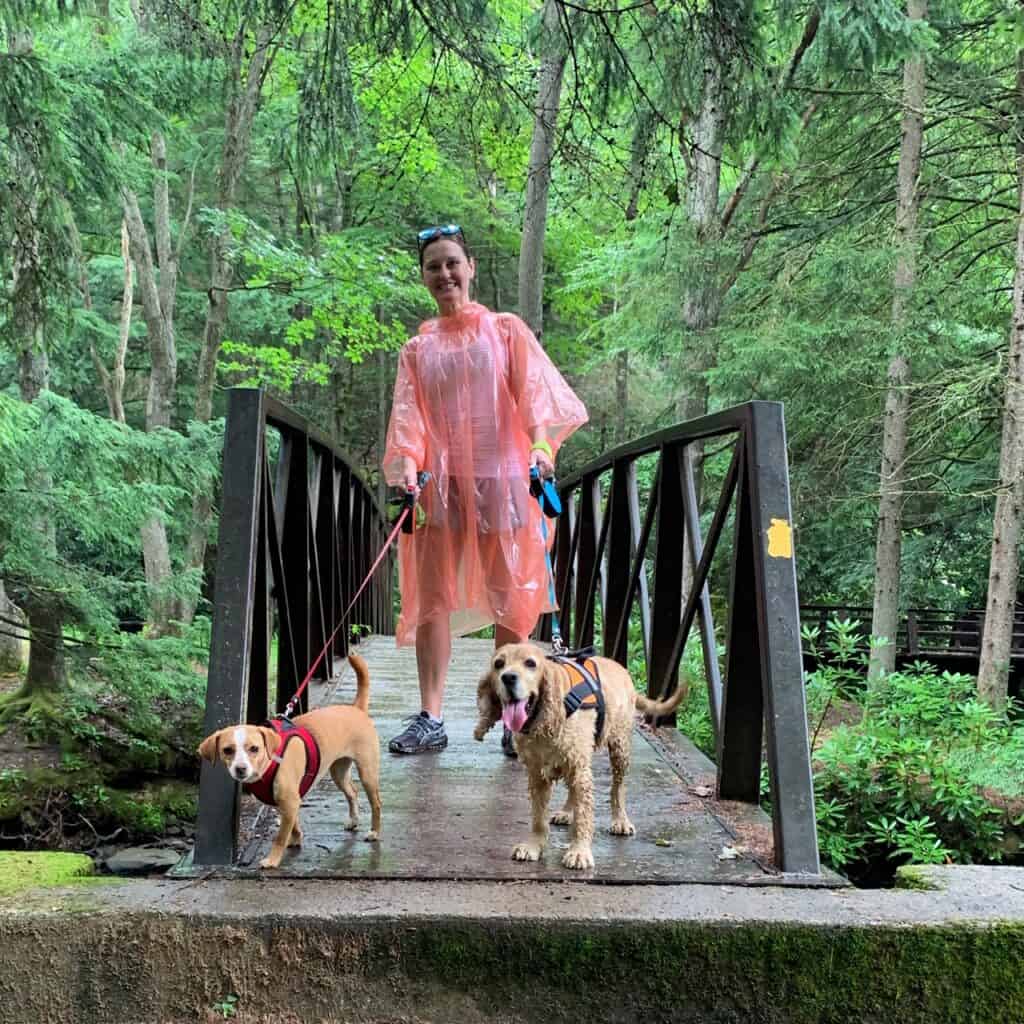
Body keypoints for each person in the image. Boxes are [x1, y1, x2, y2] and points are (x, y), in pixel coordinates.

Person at [382, 223, 588, 755]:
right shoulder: (416, 349)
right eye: (434, 266)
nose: (445, 273)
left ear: (470, 267)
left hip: (504, 483)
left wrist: (541, 451)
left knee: (510, 600)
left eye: (453, 262)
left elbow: (535, 400)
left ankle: (511, 719)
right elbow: (408, 421)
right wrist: (406, 465)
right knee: (431, 600)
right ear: (424, 277)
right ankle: (431, 717)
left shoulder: (505, 330)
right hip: (440, 487)